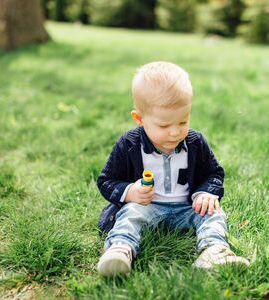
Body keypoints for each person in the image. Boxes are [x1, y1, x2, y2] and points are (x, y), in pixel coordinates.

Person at [96, 61, 249, 276]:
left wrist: (206, 193)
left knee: (213, 212)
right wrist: (130, 192)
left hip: (188, 207)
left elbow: (213, 173)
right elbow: (106, 180)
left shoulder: (195, 143)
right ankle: (121, 249)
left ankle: (214, 251)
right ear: (139, 119)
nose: (175, 132)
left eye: (183, 122)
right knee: (130, 213)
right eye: (164, 126)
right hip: (148, 206)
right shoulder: (129, 144)